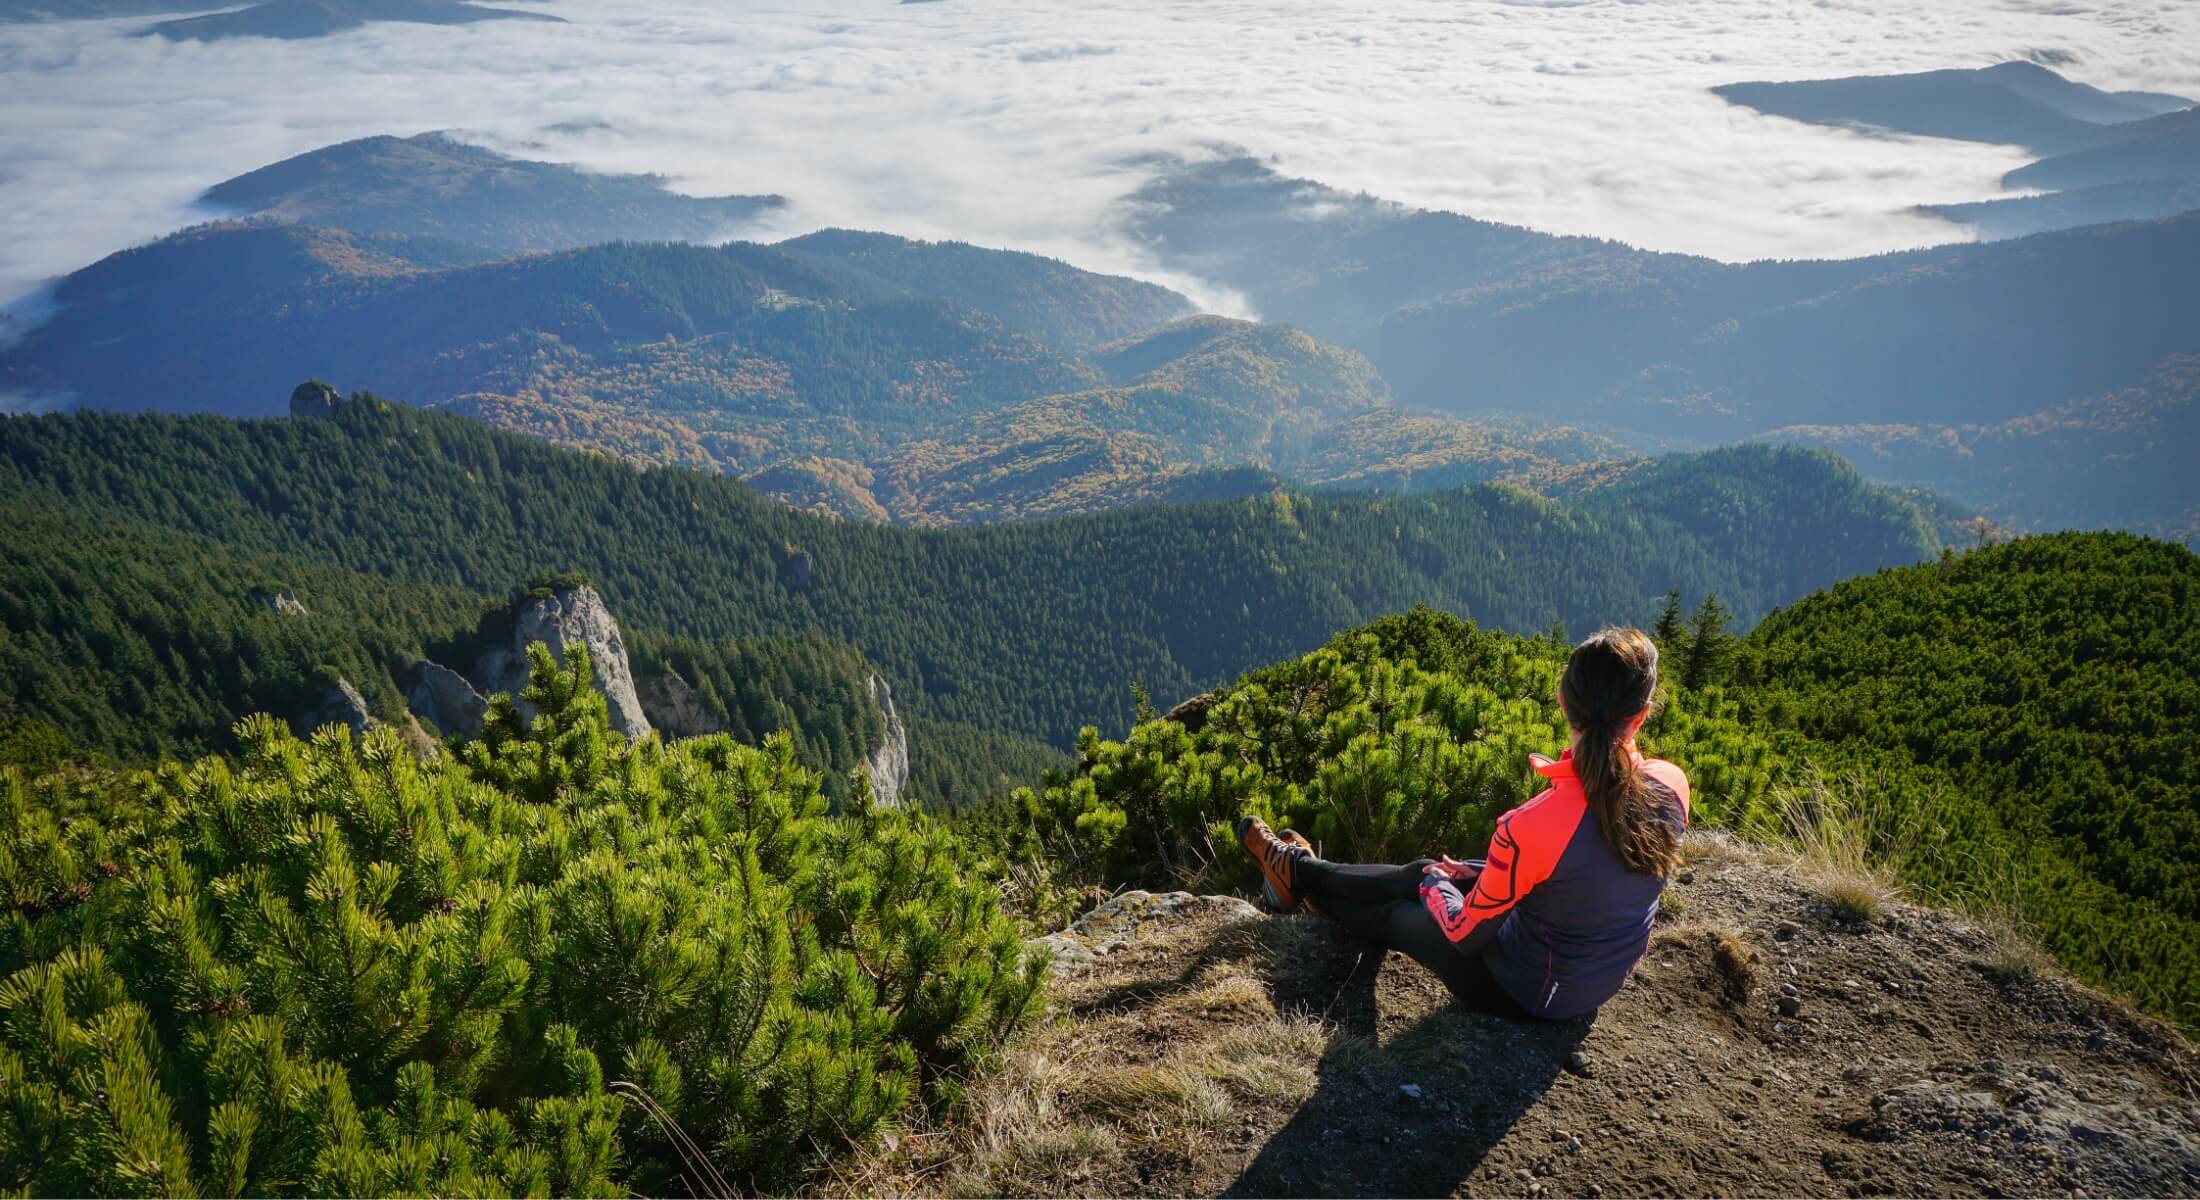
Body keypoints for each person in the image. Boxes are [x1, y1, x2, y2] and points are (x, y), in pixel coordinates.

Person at [1236, 626, 1689, 1020]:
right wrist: (1470, 873)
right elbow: (1582, 874)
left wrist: (1436, 885)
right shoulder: (1671, 785)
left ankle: (1299, 878)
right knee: (1423, 871)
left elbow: (1465, 935)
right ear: (1642, 714)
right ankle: (1300, 871)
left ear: (1562, 701)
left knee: (1401, 911)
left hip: (1524, 992)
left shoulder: (1533, 823)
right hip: (1595, 981)